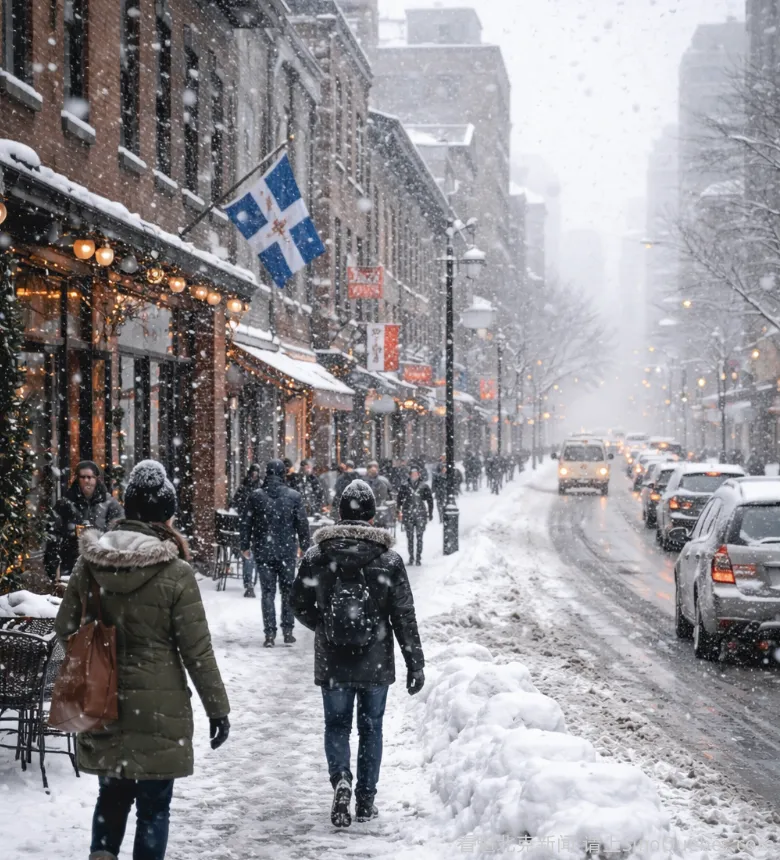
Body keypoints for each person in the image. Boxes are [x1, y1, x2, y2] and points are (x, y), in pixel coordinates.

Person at [54, 459, 230, 860]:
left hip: (104, 700)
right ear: (165, 515)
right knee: (153, 808)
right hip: (159, 708)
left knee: (112, 797)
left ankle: (102, 854)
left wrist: (97, 659)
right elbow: (196, 650)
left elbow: (66, 627)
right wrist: (217, 710)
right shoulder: (177, 572)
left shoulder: (90, 563)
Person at [290, 480, 425, 828]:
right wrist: (415, 664)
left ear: (339, 513)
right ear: (371, 514)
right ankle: (366, 800)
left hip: (333, 660)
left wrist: (323, 626)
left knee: (336, 725)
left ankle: (341, 780)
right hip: (375, 661)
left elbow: (297, 604)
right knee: (371, 729)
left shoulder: (317, 557)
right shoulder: (389, 559)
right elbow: (403, 615)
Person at [240, 459, 311, 647]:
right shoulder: (294, 496)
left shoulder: (256, 496)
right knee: (288, 591)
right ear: (283, 474)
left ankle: (269, 634)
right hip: (287, 551)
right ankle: (288, 631)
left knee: (267, 592)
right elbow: (302, 523)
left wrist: (244, 545)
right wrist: (304, 545)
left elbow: (246, 523)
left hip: (263, 551)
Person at [44, 460, 124, 582]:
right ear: (77, 479)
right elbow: (53, 534)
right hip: (71, 564)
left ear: (96, 479)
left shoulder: (109, 503)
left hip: (101, 565)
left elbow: (120, 529)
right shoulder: (65, 504)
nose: (87, 480)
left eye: (90, 477)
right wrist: (53, 564)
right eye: (83, 477)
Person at [231, 464, 263, 598]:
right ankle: (249, 583)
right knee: (249, 556)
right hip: (250, 525)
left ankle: (250, 583)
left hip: (253, 525)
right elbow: (235, 503)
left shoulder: (257, 488)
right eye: (253, 472)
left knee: (251, 556)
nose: (254, 475)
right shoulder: (247, 488)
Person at [396, 467, 434, 566]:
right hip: (408, 513)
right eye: (412, 474)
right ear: (410, 475)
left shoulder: (424, 486)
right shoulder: (404, 486)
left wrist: (430, 512)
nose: (414, 476)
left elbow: (430, 500)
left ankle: (418, 557)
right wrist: (398, 511)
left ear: (419, 475)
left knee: (419, 537)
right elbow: (399, 500)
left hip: (420, 514)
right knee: (410, 537)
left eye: (416, 474)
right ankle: (411, 557)